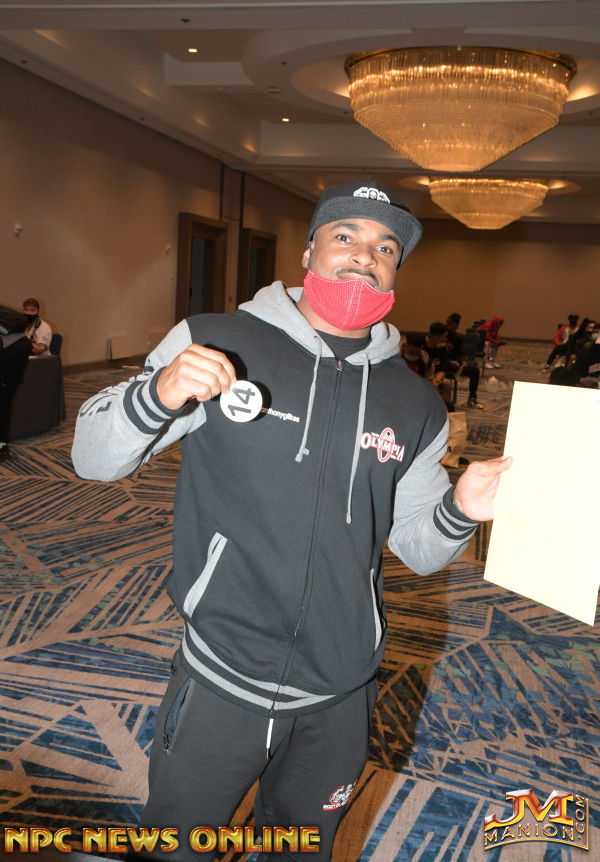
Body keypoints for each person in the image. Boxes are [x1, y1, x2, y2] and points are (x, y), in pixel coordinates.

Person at [72, 180, 511, 861]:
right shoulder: (217, 340)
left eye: (385, 248)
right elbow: (92, 459)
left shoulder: (415, 403)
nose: (364, 256)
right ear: (309, 252)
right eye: (346, 236)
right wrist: (158, 393)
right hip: (222, 671)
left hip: (340, 687)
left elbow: (420, 551)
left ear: (396, 270)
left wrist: (462, 509)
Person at [0, 304, 31, 462]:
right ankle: (2, 446)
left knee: (3, 401)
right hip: (20, 347)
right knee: (5, 401)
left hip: (10, 352)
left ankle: (1, 447)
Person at [444, 312, 483, 409]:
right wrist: (449, 362)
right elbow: (438, 356)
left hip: (456, 366)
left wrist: (464, 362)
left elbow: (462, 354)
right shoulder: (441, 335)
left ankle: (472, 398)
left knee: (474, 371)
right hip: (442, 365)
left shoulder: (457, 337)